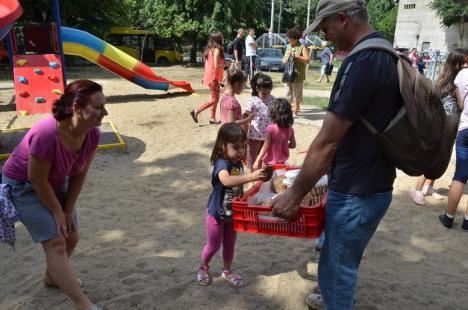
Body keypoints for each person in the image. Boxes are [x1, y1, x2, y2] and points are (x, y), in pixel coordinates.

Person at [273, 1, 404, 309]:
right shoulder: (385, 50)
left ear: (343, 19)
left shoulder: (363, 62)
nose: (325, 36)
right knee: (341, 261)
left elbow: (328, 141)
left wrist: (293, 195)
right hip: (373, 183)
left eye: (325, 28)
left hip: (356, 193)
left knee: (336, 271)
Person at [1, 80, 107, 310]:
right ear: (77, 107)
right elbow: (36, 179)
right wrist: (57, 212)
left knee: (72, 236)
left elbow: (79, 174)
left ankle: (52, 277)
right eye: (98, 107)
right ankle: (83, 304)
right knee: (57, 242)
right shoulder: (48, 133)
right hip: (23, 184)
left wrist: (67, 211)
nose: (104, 113)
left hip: (54, 180)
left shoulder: (92, 134)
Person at [196, 123, 269, 287]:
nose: (241, 151)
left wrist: (257, 179)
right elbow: (227, 180)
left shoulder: (237, 163)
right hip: (216, 213)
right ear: (223, 146)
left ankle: (227, 270)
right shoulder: (222, 164)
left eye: (243, 147)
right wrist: (252, 177)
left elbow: (239, 186)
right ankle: (203, 266)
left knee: (229, 245)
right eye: (236, 147)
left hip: (233, 214)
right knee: (214, 245)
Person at [410, 49, 467, 206]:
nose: (466, 65)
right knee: (434, 156)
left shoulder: (453, 79)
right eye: (464, 62)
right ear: (456, 63)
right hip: (441, 126)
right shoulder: (448, 82)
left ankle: (429, 186)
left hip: (450, 126)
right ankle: (417, 189)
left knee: (443, 156)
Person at [439, 49, 468, 230]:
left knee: (460, 175)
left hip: (466, 128)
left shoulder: (463, 74)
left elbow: (461, 104)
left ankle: (449, 217)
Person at [190, 32, 230, 125]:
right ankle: (196, 111)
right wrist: (226, 64)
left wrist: (204, 76)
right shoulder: (217, 50)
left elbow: (208, 65)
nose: (223, 38)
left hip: (211, 77)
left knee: (215, 98)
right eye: (222, 37)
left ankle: (212, 118)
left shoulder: (209, 50)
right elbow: (216, 66)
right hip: (213, 78)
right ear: (218, 39)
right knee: (215, 99)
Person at [244, 73, 275, 170]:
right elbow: (246, 115)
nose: (266, 95)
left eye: (268, 92)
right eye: (264, 93)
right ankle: (250, 181)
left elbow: (276, 115)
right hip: (254, 135)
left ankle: (259, 179)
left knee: (264, 158)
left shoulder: (273, 100)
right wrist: (245, 132)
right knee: (252, 159)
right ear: (257, 89)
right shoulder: (253, 101)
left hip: (268, 137)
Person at [253, 98, 296, 169]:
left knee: (268, 179)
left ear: (273, 113)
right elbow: (293, 145)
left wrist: (257, 160)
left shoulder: (271, 129)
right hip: (282, 161)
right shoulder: (290, 129)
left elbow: (265, 146)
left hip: (269, 162)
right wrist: (282, 143)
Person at [282, 27, 310, 118]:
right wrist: (284, 60)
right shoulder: (288, 46)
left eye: (290, 38)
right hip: (288, 73)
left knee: (296, 94)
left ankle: (295, 111)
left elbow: (307, 60)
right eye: (288, 38)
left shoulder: (302, 47)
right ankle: (288, 110)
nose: (288, 40)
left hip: (298, 75)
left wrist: (297, 56)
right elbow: (285, 58)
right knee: (287, 93)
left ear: (296, 38)